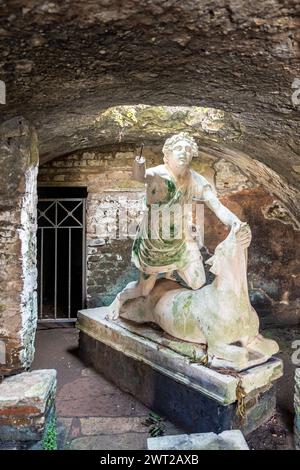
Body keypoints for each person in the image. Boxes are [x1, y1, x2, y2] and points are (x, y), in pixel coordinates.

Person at [109, 132, 251, 319]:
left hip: (182, 240)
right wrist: (138, 163)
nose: (183, 152)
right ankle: (119, 299)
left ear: (192, 155)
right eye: (178, 149)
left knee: (198, 282)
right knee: (143, 290)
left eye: (187, 149)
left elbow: (217, 207)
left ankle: (173, 305)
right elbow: (140, 176)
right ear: (166, 156)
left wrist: (237, 224)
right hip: (155, 242)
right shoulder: (157, 174)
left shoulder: (197, 180)